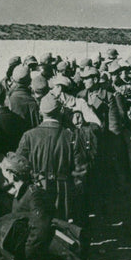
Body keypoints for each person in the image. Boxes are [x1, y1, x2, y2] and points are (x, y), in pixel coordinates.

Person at [16, 94, 77, 222]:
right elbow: (79, 169)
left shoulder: (29, 136)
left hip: (36, 189)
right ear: (60, 111)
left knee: (39, 226)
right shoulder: (70, 136)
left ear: (40, 112)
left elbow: (18, 165)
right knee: (61, 230)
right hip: (63, 190)